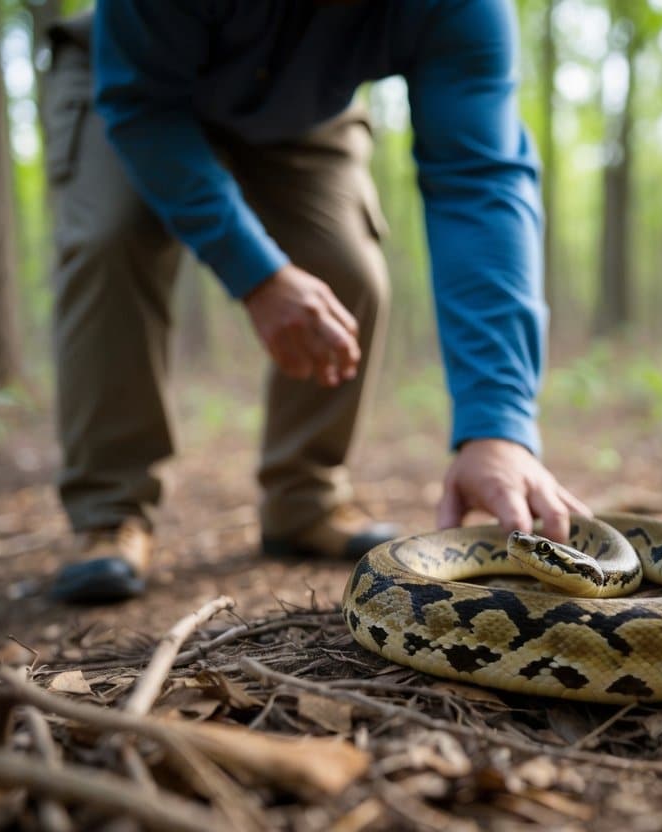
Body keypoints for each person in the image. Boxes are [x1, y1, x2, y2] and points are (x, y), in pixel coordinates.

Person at [43, 0, 589, 604]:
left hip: (303, 110)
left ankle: (305, 499)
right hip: (136, 81)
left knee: (347, 269)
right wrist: (258, 275)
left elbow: (480, 180)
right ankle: (109, 512)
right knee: (109, 240)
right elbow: (141, 109)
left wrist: (497, 426)